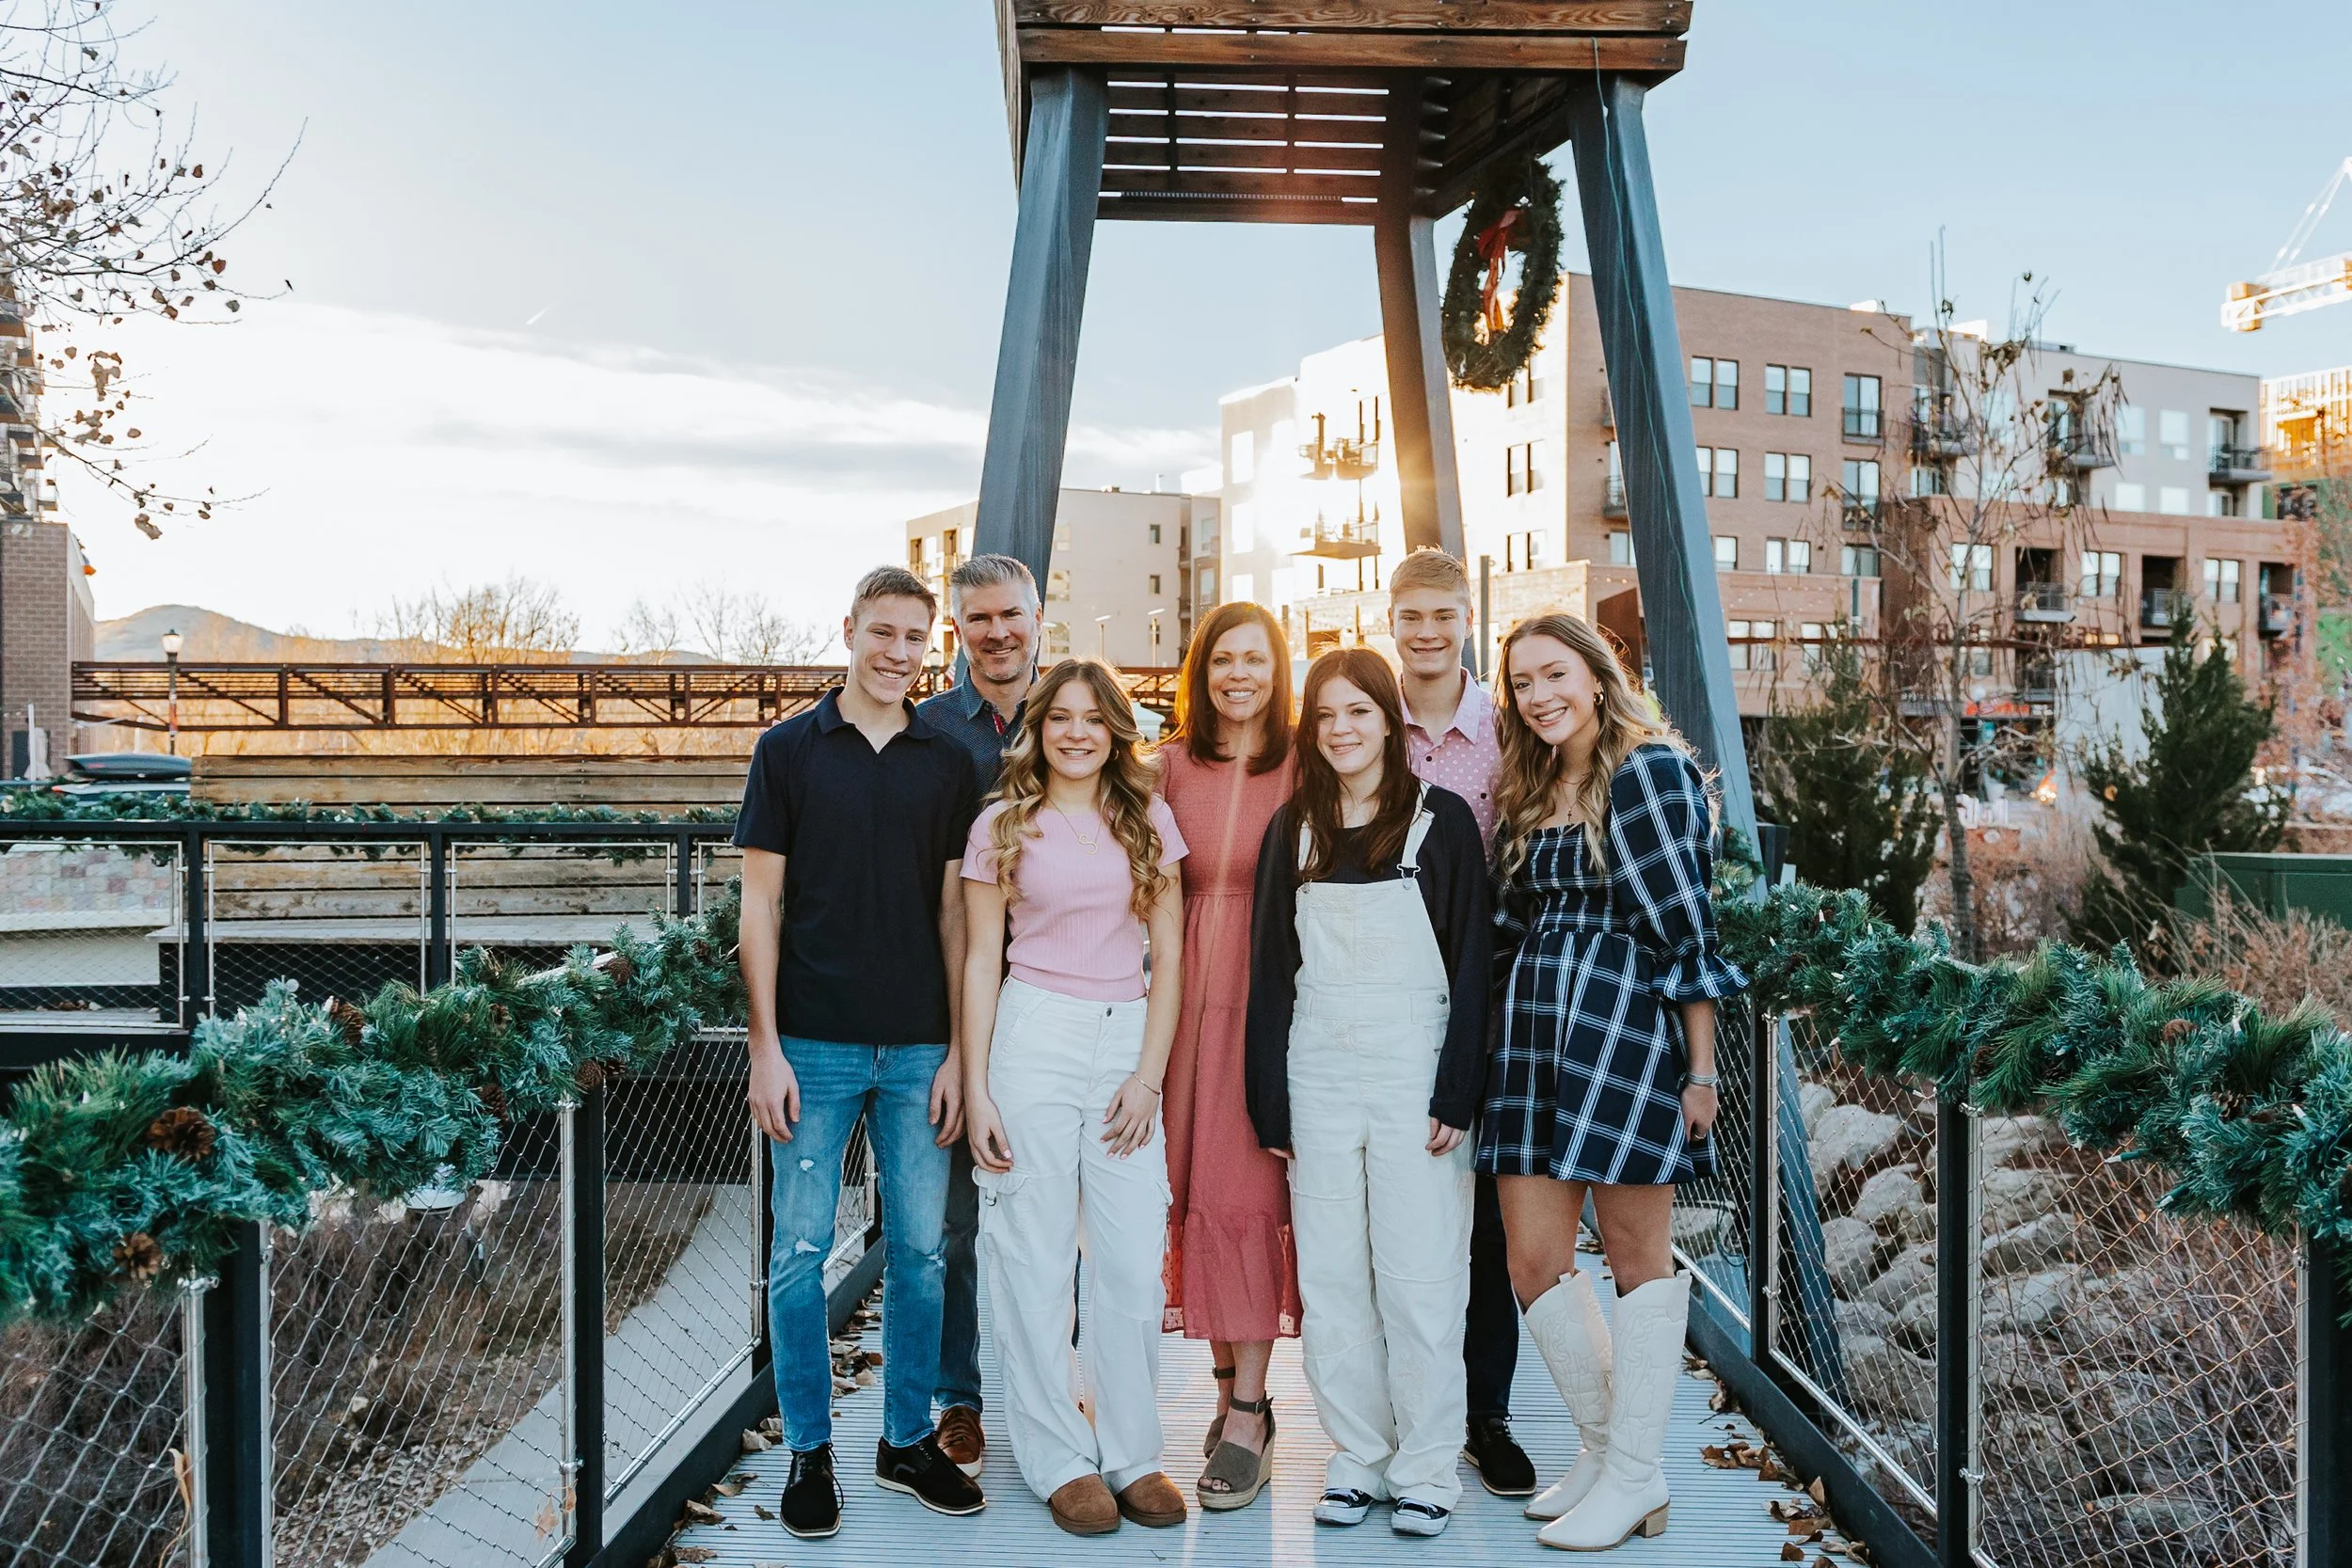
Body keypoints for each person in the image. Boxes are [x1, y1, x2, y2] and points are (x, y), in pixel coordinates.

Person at [1482, 613, 1747, 1551]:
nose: (1538, 695)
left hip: (1625, 1033)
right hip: (1531, 1040)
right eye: (1521, 682)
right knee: (1534, 1258)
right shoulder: (1528, 780)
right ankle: (1605, 1452)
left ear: (1597, 676)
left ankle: (1637, 1471)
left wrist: (1702, 1068)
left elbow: (1686, 930)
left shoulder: (1648, 771)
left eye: (1554, 674)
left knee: (1637, 1260)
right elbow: (1511, 921)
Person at [736, 565, 989, 1541]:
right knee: (798, 1253)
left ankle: (904, 1438)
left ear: (934, 644)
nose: (895, 652)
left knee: (922, 1252)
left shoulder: (944, 761)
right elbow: (759, 906)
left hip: (920, 1044)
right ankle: (809, 1448)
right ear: (848, 630)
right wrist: (765, 1046)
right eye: (880, 632)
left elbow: (952, 916)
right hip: (813, 1043)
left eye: (914, 637)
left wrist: (962, 1054)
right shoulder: (789, 750)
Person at [1244, 649, 1491, 1540]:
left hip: (1414, 1075)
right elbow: (1272, 971)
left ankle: (1427, 1464)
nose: (1341, 729)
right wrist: (1269, 1101)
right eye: (1325, 715)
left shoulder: (1443, 824)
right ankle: (1358, 1456)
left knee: (1422, 1275)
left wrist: (1458, 1090)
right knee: (1334, 1275)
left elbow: (1471, 968)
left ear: (1390, 718)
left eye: (1358, 711)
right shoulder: (1294, 830)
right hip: (1317, 1076)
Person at [961, 658, 1190, 1537]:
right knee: (1034, 1256)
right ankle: (1059, 1455)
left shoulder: (1148, 821)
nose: (1078, 733)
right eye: (1061, 717)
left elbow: (1168, 954)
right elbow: (982, 960)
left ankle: (1132, 1451)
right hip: (1034, 1037)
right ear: (1039, 727)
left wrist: (1149, 1075)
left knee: (1132, 1262)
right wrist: (978, 1086)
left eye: (1095, 718)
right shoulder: (1002, 825)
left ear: (1116, 730)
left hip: (1124, 1039)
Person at [1383, 547, 1535, 1499]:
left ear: (1467, 617)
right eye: (1411, 615)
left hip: (1496, 999)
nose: (1428, 631)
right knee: (1396, 1219)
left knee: (1485, 1222)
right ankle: (1408, 1412)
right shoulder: (1363, 717)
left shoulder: (1508, 730)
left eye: (1444, 613)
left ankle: (1487, 1413)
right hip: (1386, 1002)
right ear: (1388, 619)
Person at [1152, 601, 1299, 1513]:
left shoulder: (1306, 763)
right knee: (1192, 1191)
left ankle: (1250, 1410)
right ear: (1200, 674)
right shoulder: (1168, 766)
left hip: (1273, 1001)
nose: (1238, 674)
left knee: (1251, 1197)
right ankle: (1222, 1392)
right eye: (1221, 660)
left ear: (1279, 669)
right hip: (1183, 1006)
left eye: (1254, 658)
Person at [914, 551, 1041, 1479]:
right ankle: (958, 1394)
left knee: (1055, 1204)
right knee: (955, 1218)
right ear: (959, 631)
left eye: (1011, 614)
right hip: (948, 994)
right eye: (977, 620)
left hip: (1056, 990)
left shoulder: (1079, 714)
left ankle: (1051, 1374)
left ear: (1039, 613)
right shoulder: (925, 733)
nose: (995, 632)